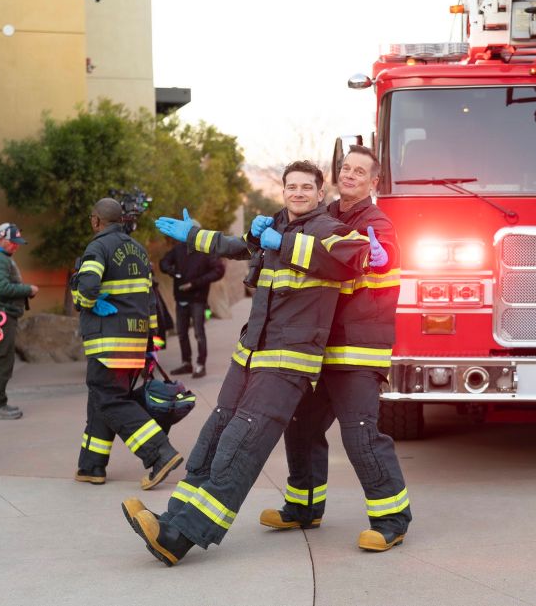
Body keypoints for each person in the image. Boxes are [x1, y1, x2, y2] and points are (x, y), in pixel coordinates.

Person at [119, 160, 385, 566]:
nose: (297, 193)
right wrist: (193, 234)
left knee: (242, 443)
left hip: (289, 362)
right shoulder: (278, 224)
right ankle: (172, 516)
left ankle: (180, 537)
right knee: (217, 431)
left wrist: (282, 243)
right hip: (251, 354)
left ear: (319, 193)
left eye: (305, 187)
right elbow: (237, 245)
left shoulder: (330, 231)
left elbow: (351, 258)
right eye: (290, 186)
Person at [258, 145, 411, 552]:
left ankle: (392, 519)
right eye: (346, 168)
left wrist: (379, 259)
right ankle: (304, 506)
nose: (350, 175)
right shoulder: (328, 216)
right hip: (323, 345)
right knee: (302, 425)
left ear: (373, 182)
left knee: (360, 433)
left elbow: (384, 255)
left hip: (358, 349)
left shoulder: (377, 221)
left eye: (360, 172)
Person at [72, 198, 183, 489]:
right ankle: (91, 465)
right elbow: (149, 298)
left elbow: (86, 287)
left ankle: (159, 453)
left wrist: (85, 303)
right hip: (134, 340)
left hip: (107, 340)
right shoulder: (138, 249)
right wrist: (150, 340)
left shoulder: (98, 247)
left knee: (109, 399)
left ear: (96, 221)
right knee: (101, 400)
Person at [0, 222, 38, 420]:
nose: (16, 246)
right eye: (13, 242)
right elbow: (3, 288)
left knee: (1, 359)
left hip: (1, 314)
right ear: (2, 239)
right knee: (2, 360)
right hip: (2, 316)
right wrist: (28, 290)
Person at [159, 232, 225, 379]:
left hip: (198, 299)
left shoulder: (206, 251)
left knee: (198, 333)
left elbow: (219, 270)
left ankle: (201, 365)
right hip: (181, 298)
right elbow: (163, 262)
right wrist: (170, 270)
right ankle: (186, 363)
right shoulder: (179, 249)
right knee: (182, 333)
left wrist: (195, 283)